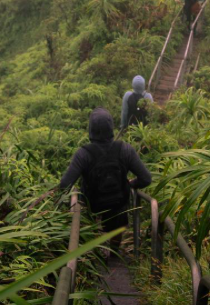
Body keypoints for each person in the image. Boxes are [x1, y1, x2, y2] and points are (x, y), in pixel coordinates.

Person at [60, 108, 152, 253]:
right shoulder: (125, 149)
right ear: (111, 127)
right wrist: (130, 184)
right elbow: (146, 179)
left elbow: (65, 185)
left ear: (90, 128)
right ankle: (115, 252)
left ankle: (94, 253)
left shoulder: (83, 154)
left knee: (88, 213)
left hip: (92, 205)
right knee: (118, 214)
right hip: (118, 203)